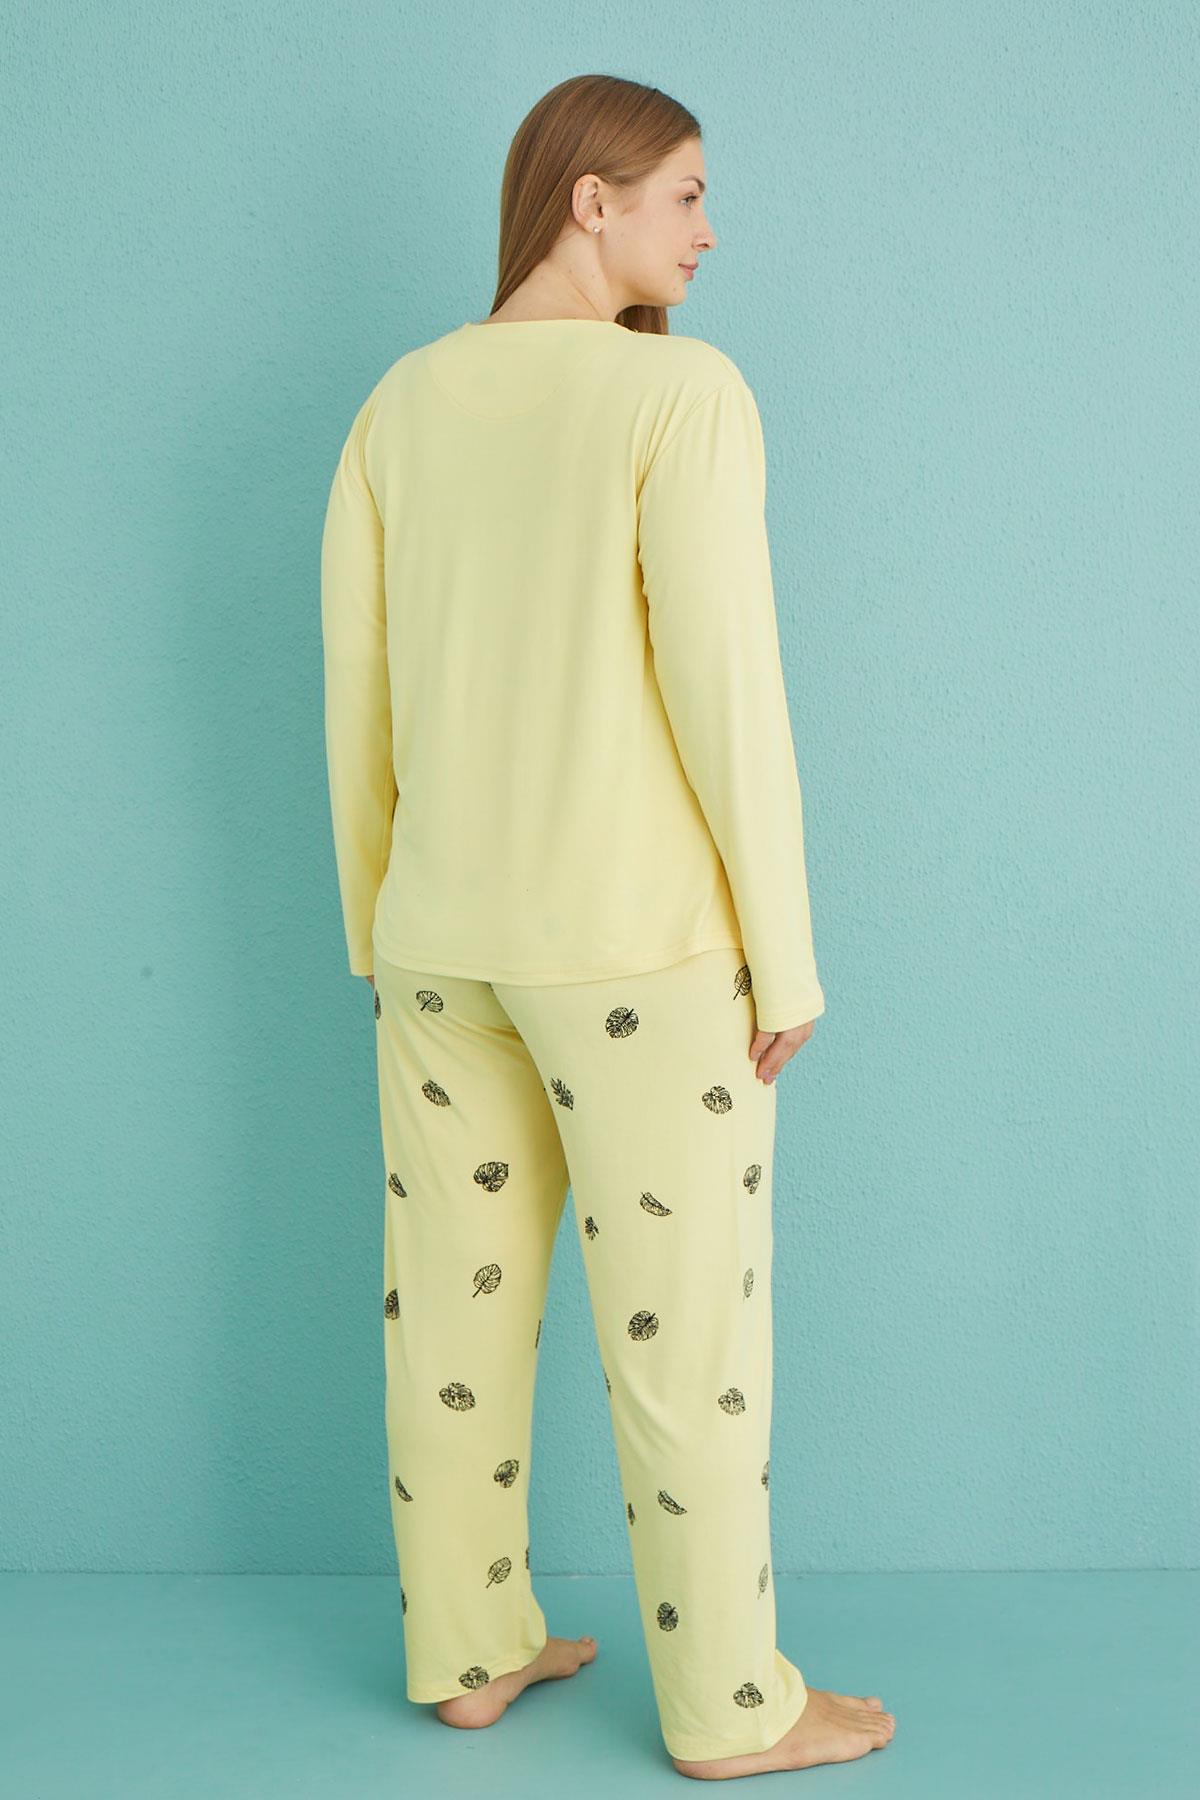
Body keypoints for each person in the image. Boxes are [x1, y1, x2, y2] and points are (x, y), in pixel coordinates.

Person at [320, 71, 895, 1779]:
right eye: (686, 193)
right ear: (592, 198)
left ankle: (468, 1649)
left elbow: (357, 686)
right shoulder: (679, 394)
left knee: (452, 1314)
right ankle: (731, 1706)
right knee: (685, 1345)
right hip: (640, 955)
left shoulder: (400, 401)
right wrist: (783, 952)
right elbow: (728, 689)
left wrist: (377, 924)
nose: (710, 231)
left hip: (440, 943)